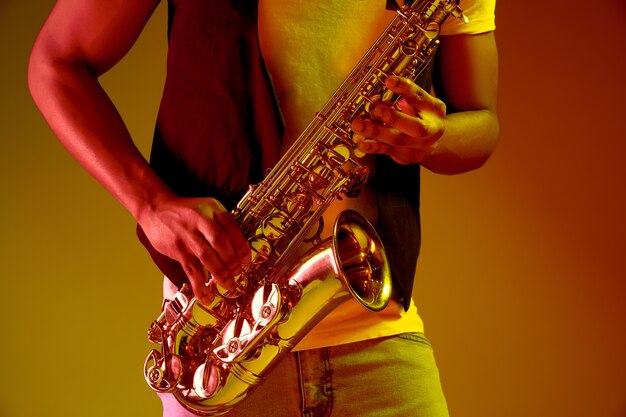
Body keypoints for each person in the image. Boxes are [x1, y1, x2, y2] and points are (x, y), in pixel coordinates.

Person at [28, 0, 499, 416]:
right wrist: (150, 203)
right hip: (219, 341)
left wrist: (436, 137)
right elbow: (56, 59)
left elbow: (481, 121)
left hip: (375, 334)